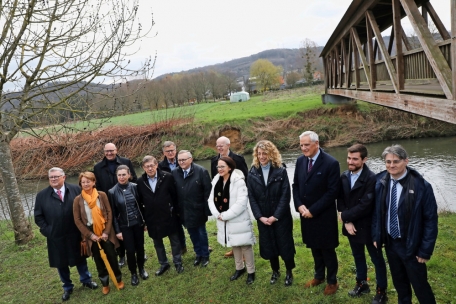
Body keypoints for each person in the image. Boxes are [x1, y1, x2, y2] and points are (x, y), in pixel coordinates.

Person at [372, 145, 438, 304]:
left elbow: (430, 220)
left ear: (406, 161)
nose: (391, 165)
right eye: (388, 162)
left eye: (396, 161)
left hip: (412, 246)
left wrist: (425, 250)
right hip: (391, 243)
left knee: (420, 286)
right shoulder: (381, 182)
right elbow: (377, 212)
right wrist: (377, 235)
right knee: (400, 285)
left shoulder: (421, 186)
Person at [34, 168, 98, 302]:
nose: (53, 179)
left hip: (75, 233)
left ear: (64, 177)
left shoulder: (75, 190)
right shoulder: (42, 195)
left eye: (56, 177)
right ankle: (67, 287)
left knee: (80, 258)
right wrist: (48, 231)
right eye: (51, 177)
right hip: (55, 236)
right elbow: (38, 217)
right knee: (60, 262)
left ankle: (86, 280)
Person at [337, 144, 388, 303]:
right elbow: (341, 199)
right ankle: (362, 284)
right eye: (349, 158)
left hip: (369, 227)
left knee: (377, 259)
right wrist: (347, 221)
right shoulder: (344, 176)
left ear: (364, 160)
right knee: (358, 256)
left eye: (355, 159)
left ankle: (381, 292)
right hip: (351, 226)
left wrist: (345, 216)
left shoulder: (372, 179)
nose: (350, 162)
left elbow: (366, 206)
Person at [292, 131, 340, 296]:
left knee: (327, 249)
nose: (303, 148)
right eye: (301, 145)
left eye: (307, 145)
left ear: (316, 143)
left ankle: (332, 281)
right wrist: (299, 206)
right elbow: (296, 186)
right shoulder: (300, 161)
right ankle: (319, 276)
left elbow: (332, 192)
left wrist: (313, 210)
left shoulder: (331, 163)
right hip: (305, 214)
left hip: (323, 215)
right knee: (314, 246)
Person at [247, 140, 296, 286]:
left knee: (285, 244)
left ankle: (289, 272)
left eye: (265, 153)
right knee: (269, 246)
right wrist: (260, 216)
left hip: (281, 217)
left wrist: (276, 216)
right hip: (263, 218)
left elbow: (285, 195)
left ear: (271, 154)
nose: (262, 156)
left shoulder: (280, 170)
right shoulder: (252, 172)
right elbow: (252, 197)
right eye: (259, 153)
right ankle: (275, 271)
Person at [73, 172, 124, 295]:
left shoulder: (102, 195)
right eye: (83, 182)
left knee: (112, 255)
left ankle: (118, 278)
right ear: (80, 184)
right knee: (98, 259)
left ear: (94, 182)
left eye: (88, 181)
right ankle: (105, 283)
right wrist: (90, 235)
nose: (86, 184)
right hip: (91, 233)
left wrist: (106, 232)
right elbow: (77, 220)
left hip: (105, 231)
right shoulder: (78, 200)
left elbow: (109, 212)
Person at [208, 156, 256, 284]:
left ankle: (251, 272)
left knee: (245, 246)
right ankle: (239, 268)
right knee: (234, 244)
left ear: (230, 167)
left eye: (222, 166)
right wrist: (217, 213)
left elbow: (241, 203)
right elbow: (210, 199)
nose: (220, 169)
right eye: (218, 166)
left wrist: (225, 215)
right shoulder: (216, 180)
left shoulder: (238, 181)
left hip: (238, 219)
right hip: (224, 219)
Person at [137, 155, 184, 276]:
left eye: (152, 165)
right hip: (152, 218)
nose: (150, 168)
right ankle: (164, 263)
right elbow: (140, 201)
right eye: (147, 167)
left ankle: (178, 262)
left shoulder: (167, 177)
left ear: (156, 165)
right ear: (143, 167)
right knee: (157, 243)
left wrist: (175, 212)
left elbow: (174, 196)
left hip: (168, 215)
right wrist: (145, 220)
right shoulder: (140, 181)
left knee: (174, 240)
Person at [93, 142, 138, 267]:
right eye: (107, 151)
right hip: (109, 202)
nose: (109, 153)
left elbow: (133, 179)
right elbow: (98, 187)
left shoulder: (126, 161)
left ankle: (137, 251)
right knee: (115, 229)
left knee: (131, 227)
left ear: (116, 150)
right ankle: (121, 255)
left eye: (111, 151)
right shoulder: (98, 167)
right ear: (104, 152)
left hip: (126, 200)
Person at [108, 165, 149, 286]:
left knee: (140, 247)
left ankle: (141, 268)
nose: (121, 177)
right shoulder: (112, 192)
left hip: (138, 223)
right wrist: (117, 230)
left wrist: (144, 222)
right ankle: (134, 273)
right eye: (119, 175)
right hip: (124, 226)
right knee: (130, 250)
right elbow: (114, 214)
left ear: (129, 175)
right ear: (116, 176)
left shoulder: (135, 187)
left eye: (124, 174)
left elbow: (141, 207)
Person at [172, 150, 212, 267]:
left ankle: (205, 255)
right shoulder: (174, 173)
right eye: (179, 160)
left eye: (184, 159)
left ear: (191, 159)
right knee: (192, 233)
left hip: (198, 209)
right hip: (184, 210)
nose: (181, 162)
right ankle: (198, 254)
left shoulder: (201, 171)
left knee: (201, 233)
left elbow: (207, 192)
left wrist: (207, 210)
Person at [210, 136, 249, 258]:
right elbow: (214, 180)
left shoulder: (238, 159)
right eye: (217, 145)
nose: (219, 147)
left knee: (238, 224)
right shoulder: (214, 160)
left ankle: (243, 252)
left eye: (222, 145)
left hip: (236, 196)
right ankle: (234, 249)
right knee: (228, 223)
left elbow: (245, 177)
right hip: (222, 196)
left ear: (228, 145)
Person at [157, 140, 187, 254]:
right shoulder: (160, 166)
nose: (170, 153)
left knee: (192, 222)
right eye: (167, 151)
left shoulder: (182, 161)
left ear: (176, 150)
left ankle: (200, 245)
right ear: (164, 153)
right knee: (177, 225)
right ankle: (182, 246)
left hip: (184, 195)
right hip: (171, 198)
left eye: (172, 150)